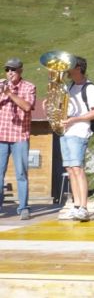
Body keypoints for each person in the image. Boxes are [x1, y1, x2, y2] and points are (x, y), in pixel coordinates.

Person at [57, 57, 94, 222]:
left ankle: (83, 207)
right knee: (70, 170)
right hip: (66, 131)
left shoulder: (89, 88)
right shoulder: (69, 86)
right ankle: (76, 206)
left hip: (80, 131)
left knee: (78, 168)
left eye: (70, 67)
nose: (67, 70)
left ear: (78, 68)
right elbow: (64, 109)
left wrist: (75, 120)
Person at [0, 58, 36, 220]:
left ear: (20, 71)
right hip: (1, 136)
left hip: (19, 136)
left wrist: (10, 93)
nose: (10, 73)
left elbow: (27, 106)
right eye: (7, 70)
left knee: (21, 173)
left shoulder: (29, 87)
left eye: (13, 70)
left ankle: (23, 208)